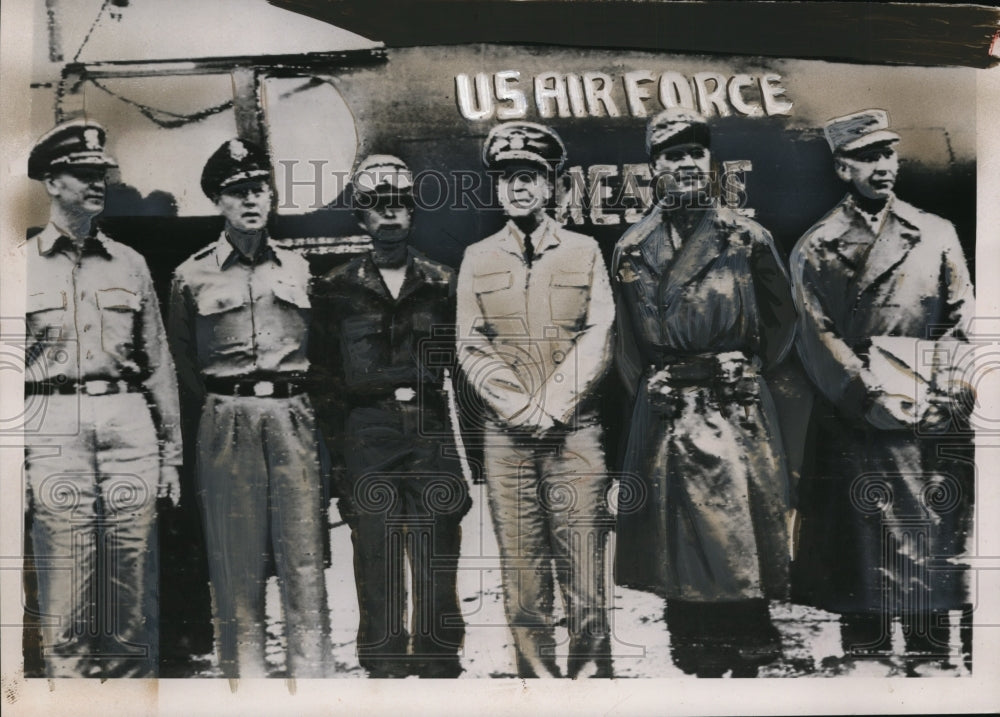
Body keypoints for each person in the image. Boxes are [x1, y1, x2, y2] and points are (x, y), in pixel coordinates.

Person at [612, 108, 797, 677]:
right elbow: (626, 345)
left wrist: (753, 366)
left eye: (696, 152)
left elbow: (784, 319)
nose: (687, 163)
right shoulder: (631, 248)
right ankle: (694, 647)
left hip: (733, 408)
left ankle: (746, 647)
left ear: (709, 161)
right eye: (673, 155)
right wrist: (656, 390)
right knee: (681, 544)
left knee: (738, 536)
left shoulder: (746, 236)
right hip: (671, 411)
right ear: (654, 169)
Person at [790, 109, 975, 674]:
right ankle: (866, 658)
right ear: (843, 168)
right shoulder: (817, 245)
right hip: (856, 421)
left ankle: (929, 655)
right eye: (868, 157)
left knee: (928, 545)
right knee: (860, 553)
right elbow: (813, 332)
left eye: (888, 154)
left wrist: (939, 389)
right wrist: (869, 395)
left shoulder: (936, 232)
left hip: (929, 418)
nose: (883, 166)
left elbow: (961, 317)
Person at [456, 122, 616, 678]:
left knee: (585, 566)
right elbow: (470, 345)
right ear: (497, 189)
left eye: (531, 177)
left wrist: (553, 405)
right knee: (522, 572)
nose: (519, 188)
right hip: (507, 438)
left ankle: (594, 681)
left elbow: (599, 334)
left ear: (551, 186)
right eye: (507, 179)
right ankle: (537, 685)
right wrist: (520, 409)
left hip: (575, 433)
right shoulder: (477, 258)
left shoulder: (585, 251)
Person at [23, 119, 182, 677]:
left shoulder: (131, 265)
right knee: (67, 601)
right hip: (51, 429)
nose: (99, 183)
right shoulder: (15, 267)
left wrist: (170, 455)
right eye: (84, 173)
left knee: (131, 597)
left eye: (103, 174)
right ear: (51, 182)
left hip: (128, 425)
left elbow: (158, 363)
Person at [168, 138, 330, 678]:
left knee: (304, 557)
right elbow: (183, 362)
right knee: (236, 560)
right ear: (218, 201)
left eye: (260, 188)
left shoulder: (300, 267)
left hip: (292, 417)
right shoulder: (191, 276)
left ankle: (313, 684)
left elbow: (321, 350)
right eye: (238, 192)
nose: (251, 200)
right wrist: (226, 405)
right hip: (228, 418)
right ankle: (249, 685)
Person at [309, 154, 471, 678]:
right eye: (378, 206)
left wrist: (462, 460)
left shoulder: (442, 283)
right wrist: (338, 467)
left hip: (427, 423)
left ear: (413, 214)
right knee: (375, 555)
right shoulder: (336, 288)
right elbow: (326, 382)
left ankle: (439, 661)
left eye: (400, 204)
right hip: (366, 428)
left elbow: (464, 369)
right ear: (361, 218)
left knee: (436, 551)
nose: (391, 215)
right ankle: (383, 670)